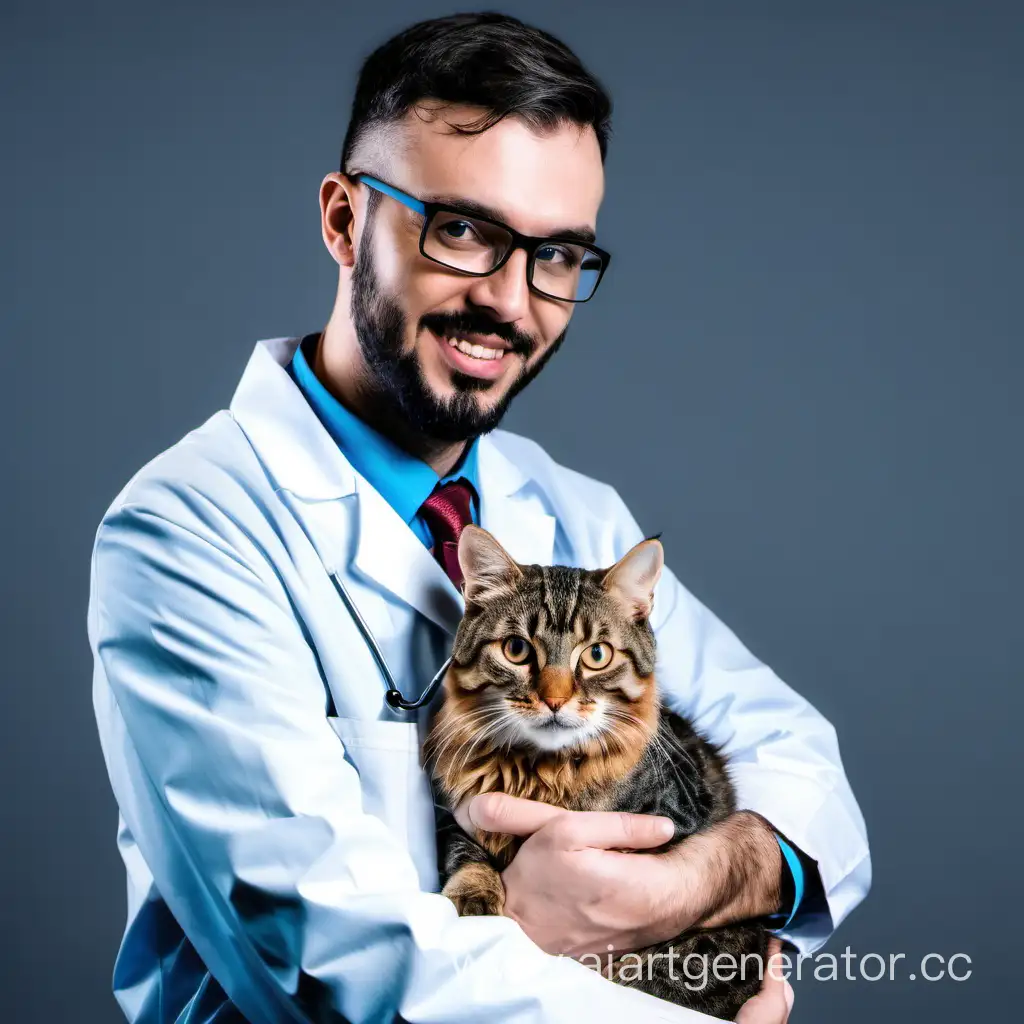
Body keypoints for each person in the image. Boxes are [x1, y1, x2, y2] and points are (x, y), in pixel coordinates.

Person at [88, 12, 869, 1023]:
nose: (509, 299)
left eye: (557, 256)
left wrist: (679, 886)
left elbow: (802, 769)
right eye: (462, 230)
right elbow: (330, 963)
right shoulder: (189, 530)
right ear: (342, 220)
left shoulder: (573, 514)